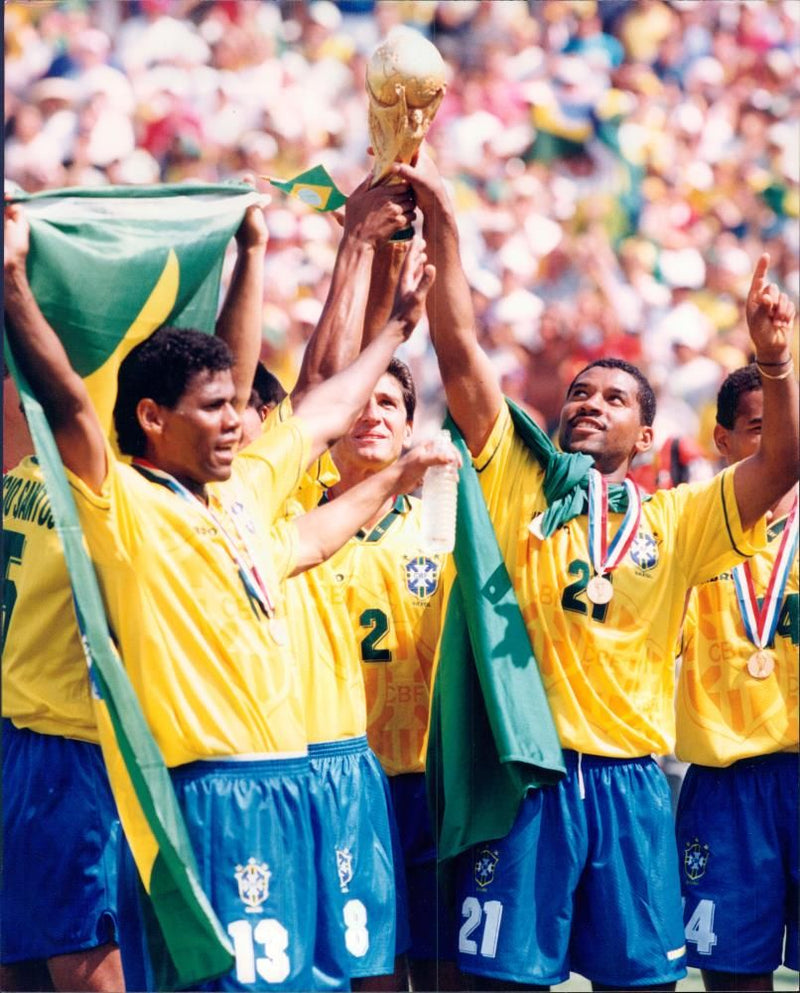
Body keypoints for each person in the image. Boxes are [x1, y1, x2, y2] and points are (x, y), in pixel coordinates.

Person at [4, 197, 447, 991]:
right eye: (212, 411)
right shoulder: (125, 507)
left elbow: (316, 417)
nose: (236, 423)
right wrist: (11, 284)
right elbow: (70, 402)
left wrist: (387, 332)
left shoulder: (243, 489)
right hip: (210, 793)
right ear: (152, 419)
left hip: (287, 780)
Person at [394, 152, 799, 992]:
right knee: (495, 983)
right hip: (529, 781)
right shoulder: (516, 478)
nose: (590, 403)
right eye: (580, 392)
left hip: (630, 785)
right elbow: (461, 351)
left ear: (647, 436)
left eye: (615, 398)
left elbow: (783, 462)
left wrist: (775, 362)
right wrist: (447, 227)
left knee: (641, 985)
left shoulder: (680, 518)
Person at [0, 202, 271, 993]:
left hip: (61, 746)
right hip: (48, 746)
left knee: (62, 964)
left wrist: (249, 253)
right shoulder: (60, 471)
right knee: (44, 969)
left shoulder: (76, 481)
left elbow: (232, 381)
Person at [259, 179, 445, 991]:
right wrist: (363, 251)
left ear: (412, 423)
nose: (370, 415)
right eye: (361, 405)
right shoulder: (296, 509)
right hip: (310, 762)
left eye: (391, 404)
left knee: (411, 967)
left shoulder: (446, 521)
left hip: (417, 780)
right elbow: (320, 390)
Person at [675, 363, 799, 992]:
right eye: (760, 428)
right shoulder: (688, 531)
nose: (783, 442)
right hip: (727, 789)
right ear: (722, 441)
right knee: (732, 979)